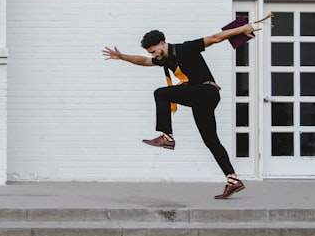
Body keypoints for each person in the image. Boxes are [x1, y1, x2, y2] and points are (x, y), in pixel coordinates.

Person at [102, 22, 257, 199]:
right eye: (151, 53)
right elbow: (144, 61)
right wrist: (122, 57)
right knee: (211, 141)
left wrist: (243, 29)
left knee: (161, 94)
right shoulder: (165, 59)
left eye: (154, 51)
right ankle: (233, 180)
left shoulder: (185, 48)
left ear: (162, 43)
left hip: (206, 91)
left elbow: (215, 38)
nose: (153, 55)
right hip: (200, 99)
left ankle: (167, 137)